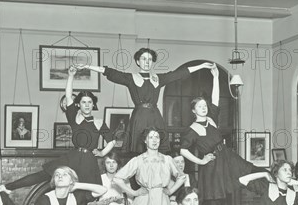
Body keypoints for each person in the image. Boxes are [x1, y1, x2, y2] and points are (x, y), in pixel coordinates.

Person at [6, 66, 115, 191]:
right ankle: (7, 187)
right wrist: (71, 76)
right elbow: (68, 96)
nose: (87, 105)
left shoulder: (99, 122)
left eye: (89, 102)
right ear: (78, 104)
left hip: (89, 162)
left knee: (85, 194)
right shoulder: (74, 118)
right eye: (83, 102)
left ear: (93, 104)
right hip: (72, 157)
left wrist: (102, 153)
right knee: (44, 175)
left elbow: (112, 141)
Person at [87, 50, 215, 153]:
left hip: (155, 117)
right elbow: (110, 72)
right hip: (139, 118)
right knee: (138, 150)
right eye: (143, 59)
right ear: (138, 62)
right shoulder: (131, 78)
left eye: (149, 59)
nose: (147, 62)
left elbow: (179, 74)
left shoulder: (158, 78)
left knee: (157, 149)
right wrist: (88, 66)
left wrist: (201, 66)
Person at [180, 66, 260, 205]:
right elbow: (183, 150)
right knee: (216, 200)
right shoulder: (192, 129)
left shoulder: (211, 120)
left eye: (205, 105)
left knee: (252, 172)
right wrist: (200, 161)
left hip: (227, 157)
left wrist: (216, 78)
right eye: (200, 106)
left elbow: (215, 99)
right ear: (193, 111)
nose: (204, 108)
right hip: (212, 167)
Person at [32, 166, 107, 205]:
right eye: (57, 175)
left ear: (71, 180)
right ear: (54, 180)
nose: (60, 176)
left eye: (64, 174)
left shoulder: (76, 197)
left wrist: (77, 185)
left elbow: (102, 190)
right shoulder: (45, 199)